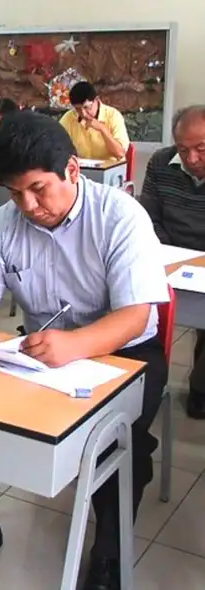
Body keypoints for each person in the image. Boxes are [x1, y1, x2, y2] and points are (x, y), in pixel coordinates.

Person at [0, 111, 169, 590]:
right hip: (41, 351)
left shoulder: (119, 216)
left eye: (38, 189)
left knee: (119, 438)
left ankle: (110, 553)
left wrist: (75, 345)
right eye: (15, 193)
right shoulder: (6, 223)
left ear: (72, 170)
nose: (29, 206)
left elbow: (135, 317)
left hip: (125, 353)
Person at [141, 105, 205, 419]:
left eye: (201, 149)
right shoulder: (160, 163)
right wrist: (171, 255)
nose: (191, 159)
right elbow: (148, 219)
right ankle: (139, 386)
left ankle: (200, 389)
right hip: (169, 257)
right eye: (183, 149)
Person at [59, 81, 130, 161]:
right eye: (78, 109)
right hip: (82, 167)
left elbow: (120, 153)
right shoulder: (69, 117)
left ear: (96, 100)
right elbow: (56, 146)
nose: (83, 114)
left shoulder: (113, 116)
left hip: (110, 167)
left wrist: (102, 129)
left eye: (86, 107)